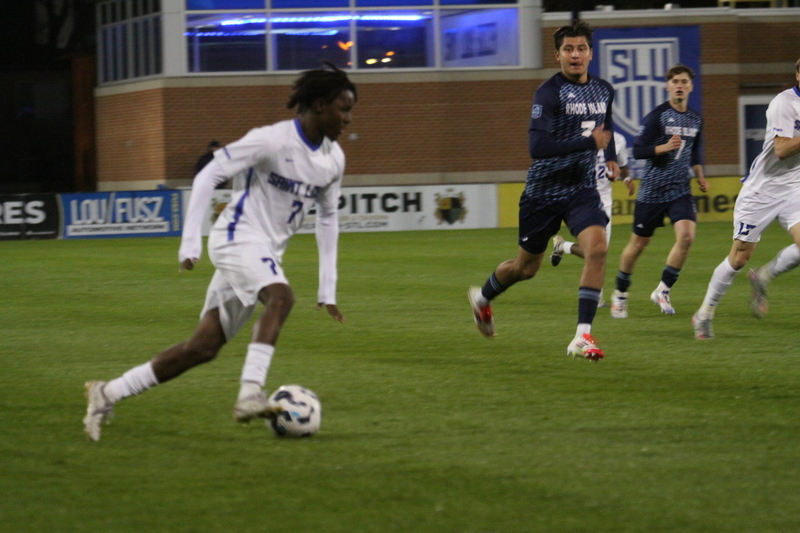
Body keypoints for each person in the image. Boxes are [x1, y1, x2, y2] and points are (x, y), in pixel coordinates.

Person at [83, 63, 356, 441]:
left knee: (204, 346)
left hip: (264, 252)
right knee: (282, 297)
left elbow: (328, 218)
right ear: (321, 105)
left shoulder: (334, 159)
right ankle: (249, 394)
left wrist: (328, 290)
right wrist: (190, 241)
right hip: (235, 236)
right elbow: (208, 174)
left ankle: (107, 392)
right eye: (344, 109)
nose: (348, 119)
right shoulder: (271, 140)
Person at [467, 21, 618, 361]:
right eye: (568, 49)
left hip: (581, 188)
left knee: (597, 248)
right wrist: (587, 142)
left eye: (581, 49)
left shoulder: (605, 90)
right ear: (558, 55)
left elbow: (605, 126)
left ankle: (582, 336)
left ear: (591, 53)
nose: (575, 55)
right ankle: (481, 299)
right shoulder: (548, 93)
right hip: (543, 192)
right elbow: (537, 146)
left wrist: (609, 157)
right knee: (526, 268)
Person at [692, 58, 800, 339]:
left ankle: (764, 275)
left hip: (794, 188)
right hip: (762, 190)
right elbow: (782, 150)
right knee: (739, 257)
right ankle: (704, 313)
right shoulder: (783, 104)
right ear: (798, 75)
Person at [609, 64, 709, 319]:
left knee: (686, 236)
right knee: (638, 244)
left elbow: (694, 149)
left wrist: (699, 174)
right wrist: (663, 148)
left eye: (684, 81)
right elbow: (639, 150)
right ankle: (620, 294)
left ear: (690, 86)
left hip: (679, 189)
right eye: (674, 81)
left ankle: (663, 290)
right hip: (652, 191)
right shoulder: (657, 117)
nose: (679, 85)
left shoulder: (696, 118)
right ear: (667, 86)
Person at [549, 130, 634, 307]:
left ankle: (562, 246)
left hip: (605, 199)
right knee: (594, 250)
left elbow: (622, 165)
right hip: (584, 198)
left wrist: (627, 180)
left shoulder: (618, 140)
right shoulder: (581, 135)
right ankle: (596, 295)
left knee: (600, 250)